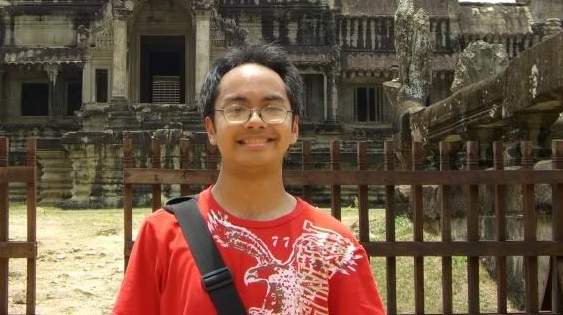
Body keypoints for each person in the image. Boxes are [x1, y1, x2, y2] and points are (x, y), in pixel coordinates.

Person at [113, 44, 385, 314]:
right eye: (237, 109)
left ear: (294, 128)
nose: (255, 121)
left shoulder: (336, 245)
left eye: (272, 108)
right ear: (210, 129)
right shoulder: (162, 235)